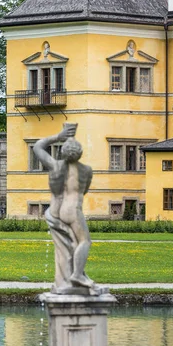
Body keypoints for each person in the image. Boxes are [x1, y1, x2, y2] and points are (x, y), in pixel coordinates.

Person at [33, 124, 105, 294]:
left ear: (63, 152)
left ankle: (69, 278)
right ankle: (77, 275)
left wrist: (59, 136)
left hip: (56, 211)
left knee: (72, 244)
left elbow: (37, 146)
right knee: (84, 241)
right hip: (72, 210)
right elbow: (84, 191)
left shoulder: (55, 166)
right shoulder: (86, 170)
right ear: (79, 153)